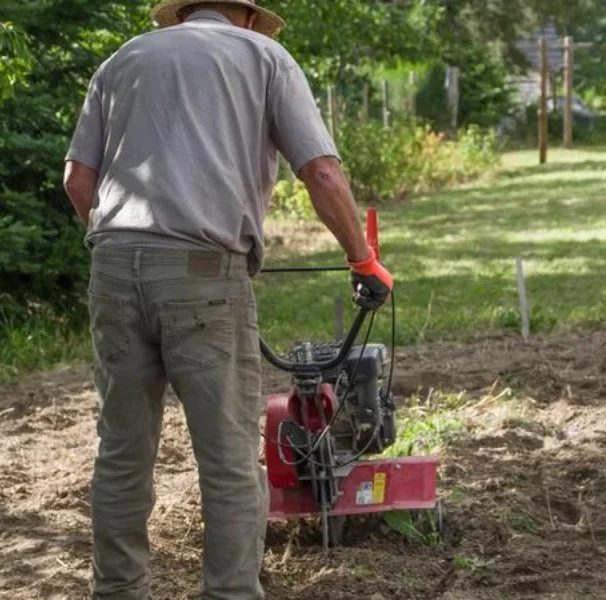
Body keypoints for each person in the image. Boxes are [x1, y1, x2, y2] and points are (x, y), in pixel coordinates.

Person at [62, 1, 394, 598]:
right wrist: (362, 260)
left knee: (121, 452)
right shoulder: (263, 56)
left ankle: (116, 590)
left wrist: (127, 248)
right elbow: (320, 171)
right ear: (246, 15)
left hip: (111, 263)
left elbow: (76, 181)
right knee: (229, 459)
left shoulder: (122, 59)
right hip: (202, 270)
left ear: (184, 12)